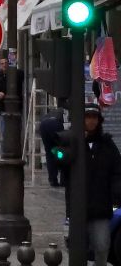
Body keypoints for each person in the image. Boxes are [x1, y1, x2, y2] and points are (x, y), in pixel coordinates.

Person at [66, 104, 121, 266]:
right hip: (78, 208)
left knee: (102, 245)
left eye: (94, 118)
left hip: (100, 207)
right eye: (87, 117)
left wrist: (116, 193)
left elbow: (117, 170)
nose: (91, 121)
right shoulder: (74, 143)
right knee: (77, 248)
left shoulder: (107, 145)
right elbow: (60, 160)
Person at [0, 54, 25, 146]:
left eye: (6, 63)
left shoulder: (18, 74)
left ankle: (18, 150)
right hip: (3, 108)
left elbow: (27, 75)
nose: (4, 65)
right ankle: (4, 152)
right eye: (2, 63)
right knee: (4, 132)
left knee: (17, 131)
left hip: (17, 107)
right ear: (0, 65)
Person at [38, 102, 66, 188]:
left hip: (43, 124)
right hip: (54, 124)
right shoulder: (70, 110)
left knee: (50, 152)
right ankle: (63, 180)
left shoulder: (57, 110)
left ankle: (52, 179)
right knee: (62, 152)